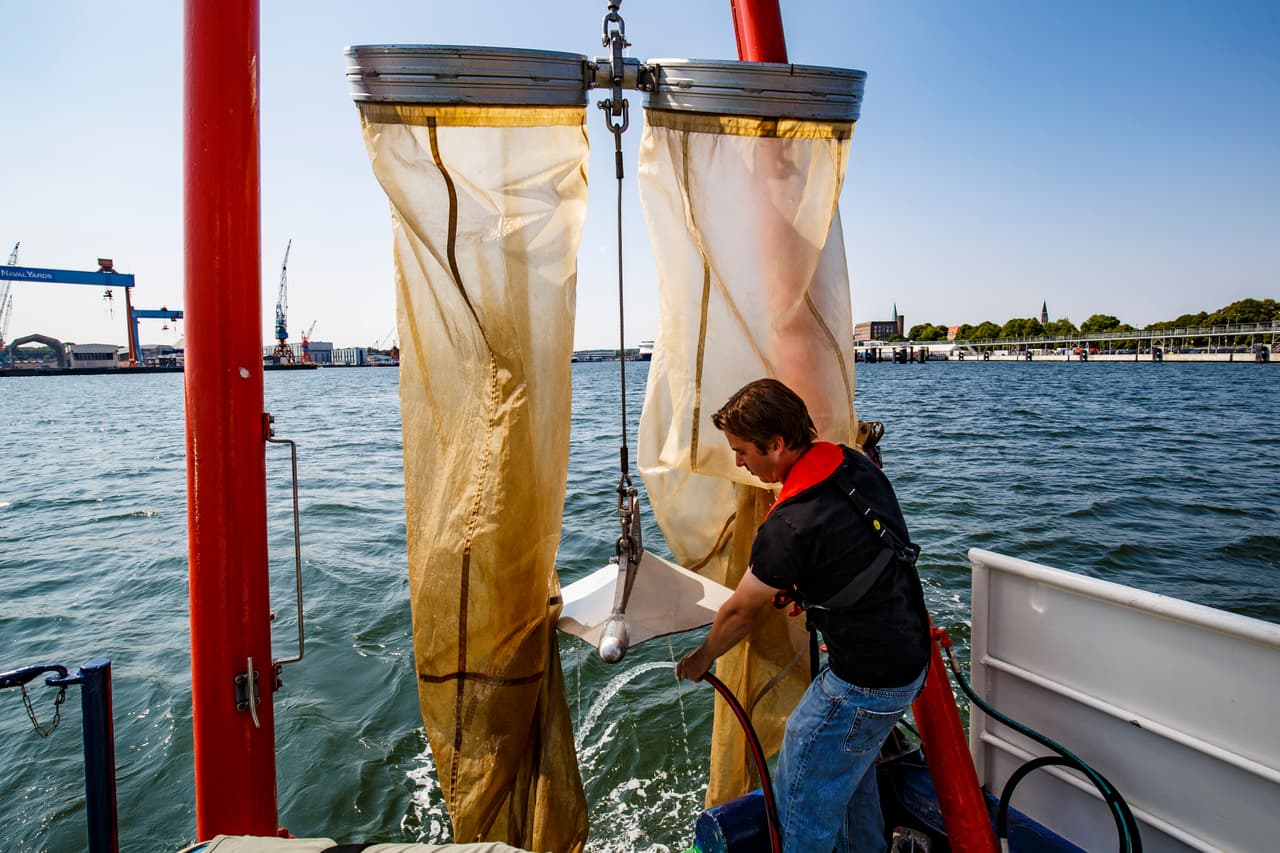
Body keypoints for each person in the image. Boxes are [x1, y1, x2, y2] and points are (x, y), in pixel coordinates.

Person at [676, 378, 931, 852]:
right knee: (848, 775)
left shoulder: (789, 527)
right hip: (910, 660)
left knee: (802, 788)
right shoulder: (851, 463)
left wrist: (701, 657)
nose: (737, 462)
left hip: (866, 683)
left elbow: (740, 613)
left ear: (775, 445)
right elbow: (857, 547)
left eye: (742, 451)